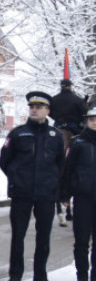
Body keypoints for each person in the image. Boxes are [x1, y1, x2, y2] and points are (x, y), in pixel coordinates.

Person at [0, 90, 64, 281]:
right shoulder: (18, 133)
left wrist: (53, 184)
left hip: (46, 194)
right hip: (22, 193)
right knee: (18, 234)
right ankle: (15, 275)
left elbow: (60, 163)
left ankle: (40, 277)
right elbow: (4, 161)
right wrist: (17, 178)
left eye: (39, 107)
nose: (34, 110)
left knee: (43, 236)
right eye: (32, 107)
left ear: (47, 111)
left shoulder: (56, 136)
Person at [60, 107, 96, 281]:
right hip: (83, 198)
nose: (95, 122)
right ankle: (82, 276)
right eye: (92, 119)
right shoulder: (78, 143)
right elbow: (67, 170)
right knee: (81, 240)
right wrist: (65, 194)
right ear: (87, 122)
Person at [50, 78, 86, 226]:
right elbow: (84, 114)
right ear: (71, 87)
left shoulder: (54, 99)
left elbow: (50, 113)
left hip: (57, 126)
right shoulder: (77, 99)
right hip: (73, 129)